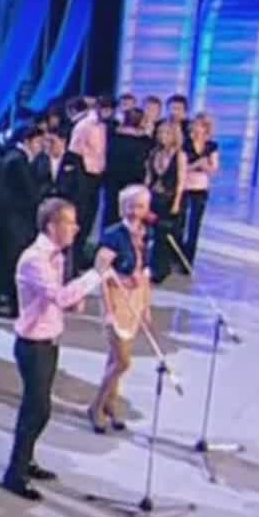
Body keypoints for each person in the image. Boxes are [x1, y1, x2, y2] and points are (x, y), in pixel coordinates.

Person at [2, 200, 115, 500]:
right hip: (33, 345)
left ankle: (27, 460)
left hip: (50, 340)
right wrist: (96, 274)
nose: (76, 228)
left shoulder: (57, 256)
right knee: (36, 409)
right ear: (53, 226)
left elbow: (59, 299)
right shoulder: (34, 259)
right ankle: (15, 473)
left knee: (40, 409)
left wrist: (73, 301)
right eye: (70, 222)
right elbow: (60, 296)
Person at [89, 185, 153, 433]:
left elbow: (144, 275)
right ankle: (96, 405)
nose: (135, 212)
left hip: (134, 301)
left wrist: (146, 305)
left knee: (114, 358)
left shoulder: (145, 236)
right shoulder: (113, 235)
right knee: (122, 361)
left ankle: (110, 403)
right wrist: (107, 310)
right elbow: (102, 274)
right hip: (116, 300)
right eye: (130, 206)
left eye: (140, 206)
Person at [0, 126, 44, 316]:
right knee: (12, 261)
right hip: (14, 220)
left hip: (13, 219)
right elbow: (30, 191)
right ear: (28, 140)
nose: (41, 146)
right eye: (38, 142)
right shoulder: (17, 161)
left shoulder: (18, 158)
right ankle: (10, 303)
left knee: (4, 261)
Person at [69, 95, 112, 268]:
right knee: (81, 216)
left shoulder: (106, 126)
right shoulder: (84, 125)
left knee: (90, 218)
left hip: (98, 177)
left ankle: (80, 256)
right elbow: (74, 153)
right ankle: (72, 259)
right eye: (105, 109)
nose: (108, 113)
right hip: (83, 176)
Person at [147, 121, 187, 284]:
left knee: (164, 236)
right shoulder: (154, 153)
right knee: (152, 234)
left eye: (166, 133)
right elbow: (149, 177)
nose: (162, 136)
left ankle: (161, 269)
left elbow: (181, 181)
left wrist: (176, 202)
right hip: (154, 196)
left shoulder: (180, 156)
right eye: (160, 133)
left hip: (170, 199)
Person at [181, 114, 219, 268]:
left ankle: (188, 260)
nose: (197, 128)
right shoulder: (185, 144)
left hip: (201, 189)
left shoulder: (211, 146)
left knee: (194, 225)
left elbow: (213, 169)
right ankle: (177, 255)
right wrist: (197, 164)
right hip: (184, 187)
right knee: (181, 223)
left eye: (202, 125)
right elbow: (181, 167)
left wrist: (205, 166)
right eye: (195, 124)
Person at [104, 108, 152, 227]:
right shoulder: (145, 141)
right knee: (130, 210)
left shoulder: (113, 136)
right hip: (134, 179)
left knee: (110, 210)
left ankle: (108, 235)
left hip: (112, 177)